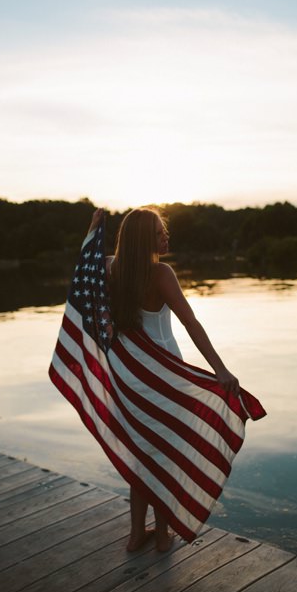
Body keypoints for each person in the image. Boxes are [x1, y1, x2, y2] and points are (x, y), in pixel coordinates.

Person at [89, 206, 241, 552]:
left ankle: (134, 535)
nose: (166, 236)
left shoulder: (110, 269)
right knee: (165, 456)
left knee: (140, 455)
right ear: (146, 240)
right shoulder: (160, 273)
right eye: (159, 232)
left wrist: (93, 229)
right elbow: (191, 323)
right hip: (163, 374)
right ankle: (160, 535)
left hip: (127, 376)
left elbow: (84, 269)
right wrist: (219, 368)